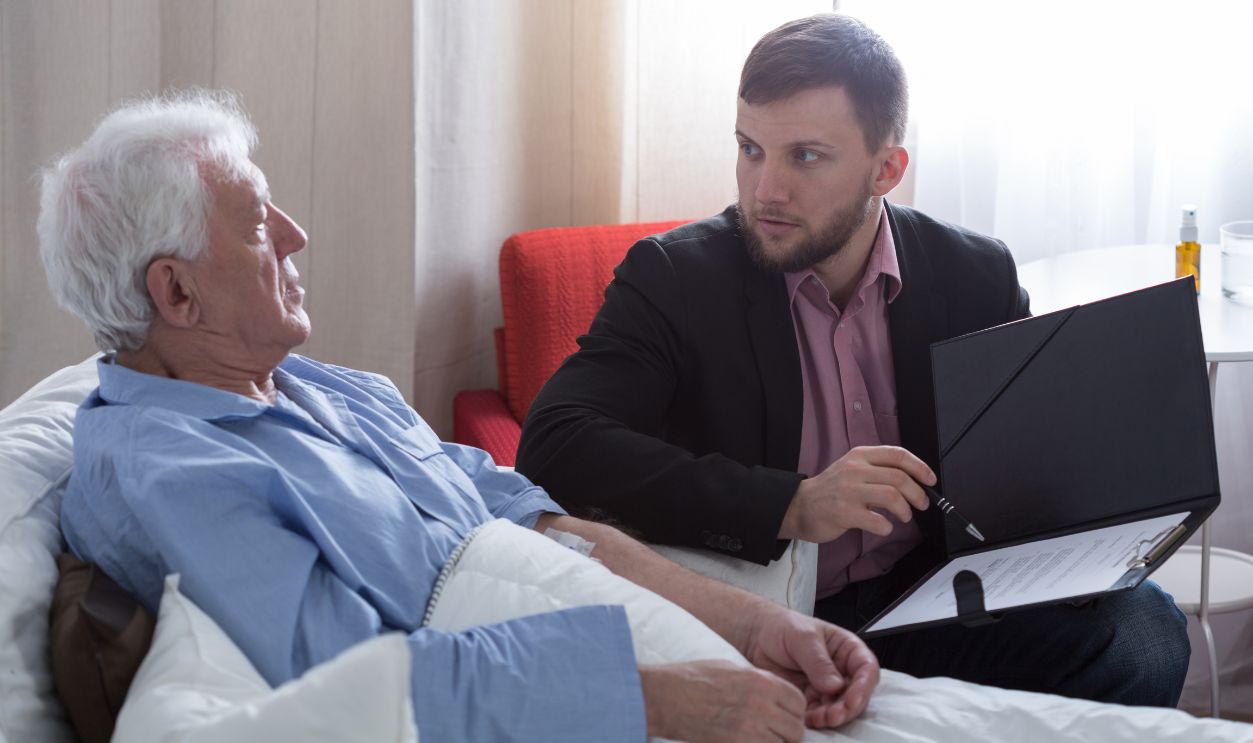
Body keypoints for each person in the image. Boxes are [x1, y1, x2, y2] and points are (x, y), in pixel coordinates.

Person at [39, 91, 880, 743]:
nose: (295, 235)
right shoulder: (168, 472)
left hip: (601, 639)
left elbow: (544, 524)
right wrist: (656, 698)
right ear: (176, 292)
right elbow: (351, 678)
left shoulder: (326, 388)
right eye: (258, 222)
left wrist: (756, 624)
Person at [516, 13, 1190, 706]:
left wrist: (1089, 518)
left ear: (886, 170)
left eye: (805, 156)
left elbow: (1018, 458)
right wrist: (793, 503)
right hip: (762, 615)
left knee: (1144, 632)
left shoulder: (974, 273)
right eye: (750, 149)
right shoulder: (675, 277)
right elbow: (555, 444)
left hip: (924, 599)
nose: (765, 189)